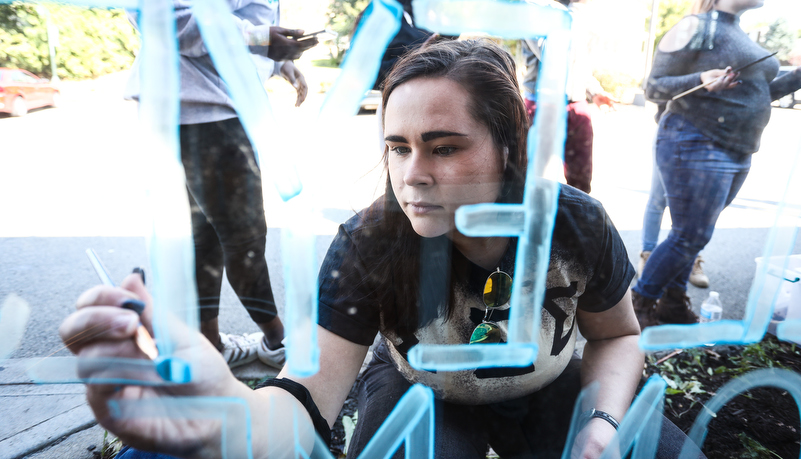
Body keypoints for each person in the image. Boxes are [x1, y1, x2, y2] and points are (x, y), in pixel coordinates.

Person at [61, 40, 705, 459]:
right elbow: (305, 396)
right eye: (399, 147)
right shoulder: (369, 242)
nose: (412, 174)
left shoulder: (574, 225)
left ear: (508, 147)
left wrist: (603, 423)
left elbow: (617, 336)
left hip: (550, 388)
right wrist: (230, 420)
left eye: (444, 147)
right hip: (420, 392)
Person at [123, 0, 318, 367]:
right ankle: (277, 339)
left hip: (201, 105)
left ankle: (210, 346)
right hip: (203, 109)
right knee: (243, 234)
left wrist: (279, 61)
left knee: (207, 234)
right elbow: (159, 15)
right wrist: (258, 37)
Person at [633, 0, 801, 328]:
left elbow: (760, 94)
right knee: (689, 235)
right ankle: (639, 306)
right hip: (697, 140)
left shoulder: (740, 33)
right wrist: (700, 78)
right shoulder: (697, 27)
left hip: (737, 150)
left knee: (694, 236)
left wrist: (797, 77)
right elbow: (653, 88)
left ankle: (672, 303)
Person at [521, 0, 617, 194]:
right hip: (542, 105)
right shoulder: (534, 8)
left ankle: (577, 222)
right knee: (537, 184)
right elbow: (555, 54)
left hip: (576, 104)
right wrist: (573, 13)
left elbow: (577, 61)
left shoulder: (576, 11)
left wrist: (594, 91)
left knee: (581, 183)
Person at [639, 105, 710, 289]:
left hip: (710, 135)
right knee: (658, 198)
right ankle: (648, 255)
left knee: (697, 206)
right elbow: (656, 87)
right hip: (672, 131)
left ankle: (691, 259)